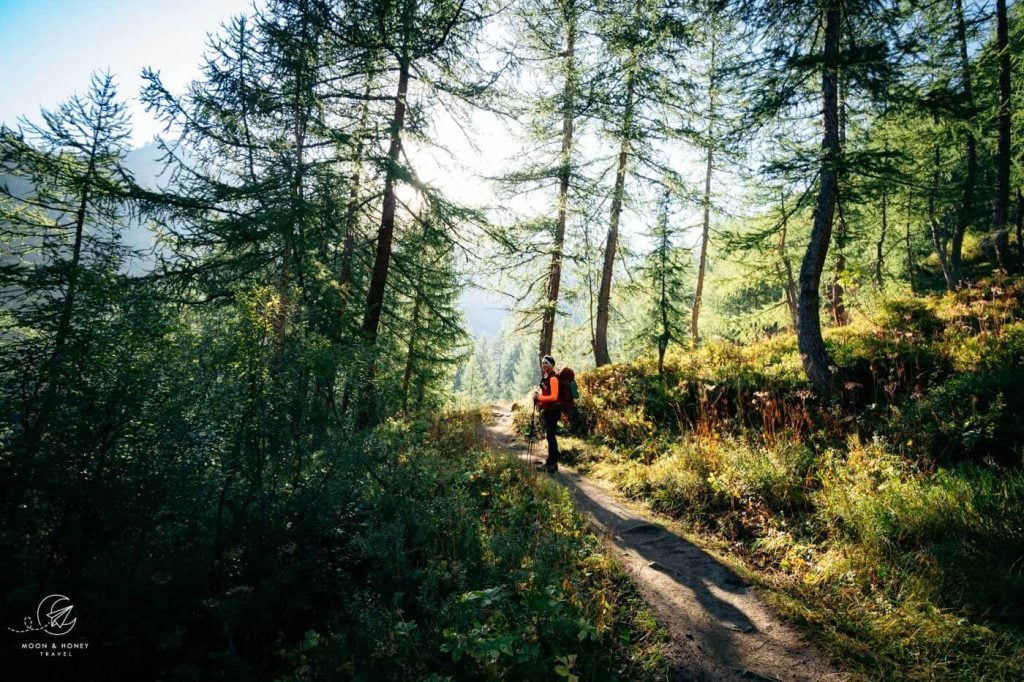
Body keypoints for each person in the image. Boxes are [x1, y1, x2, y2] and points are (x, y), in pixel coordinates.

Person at [533, 354, 561, 473]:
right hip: (548, 410)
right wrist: (538, 397)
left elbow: (554, 397)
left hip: (553, 411)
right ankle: (551, 463)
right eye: (543, 363)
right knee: (550, 436)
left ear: (552, 365)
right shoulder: (546, 377)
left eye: (547, 363)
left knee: (551, 436)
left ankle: (551, 463)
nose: (544, 365)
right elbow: (546, 393)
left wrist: (540, 398)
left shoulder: (553, 378)